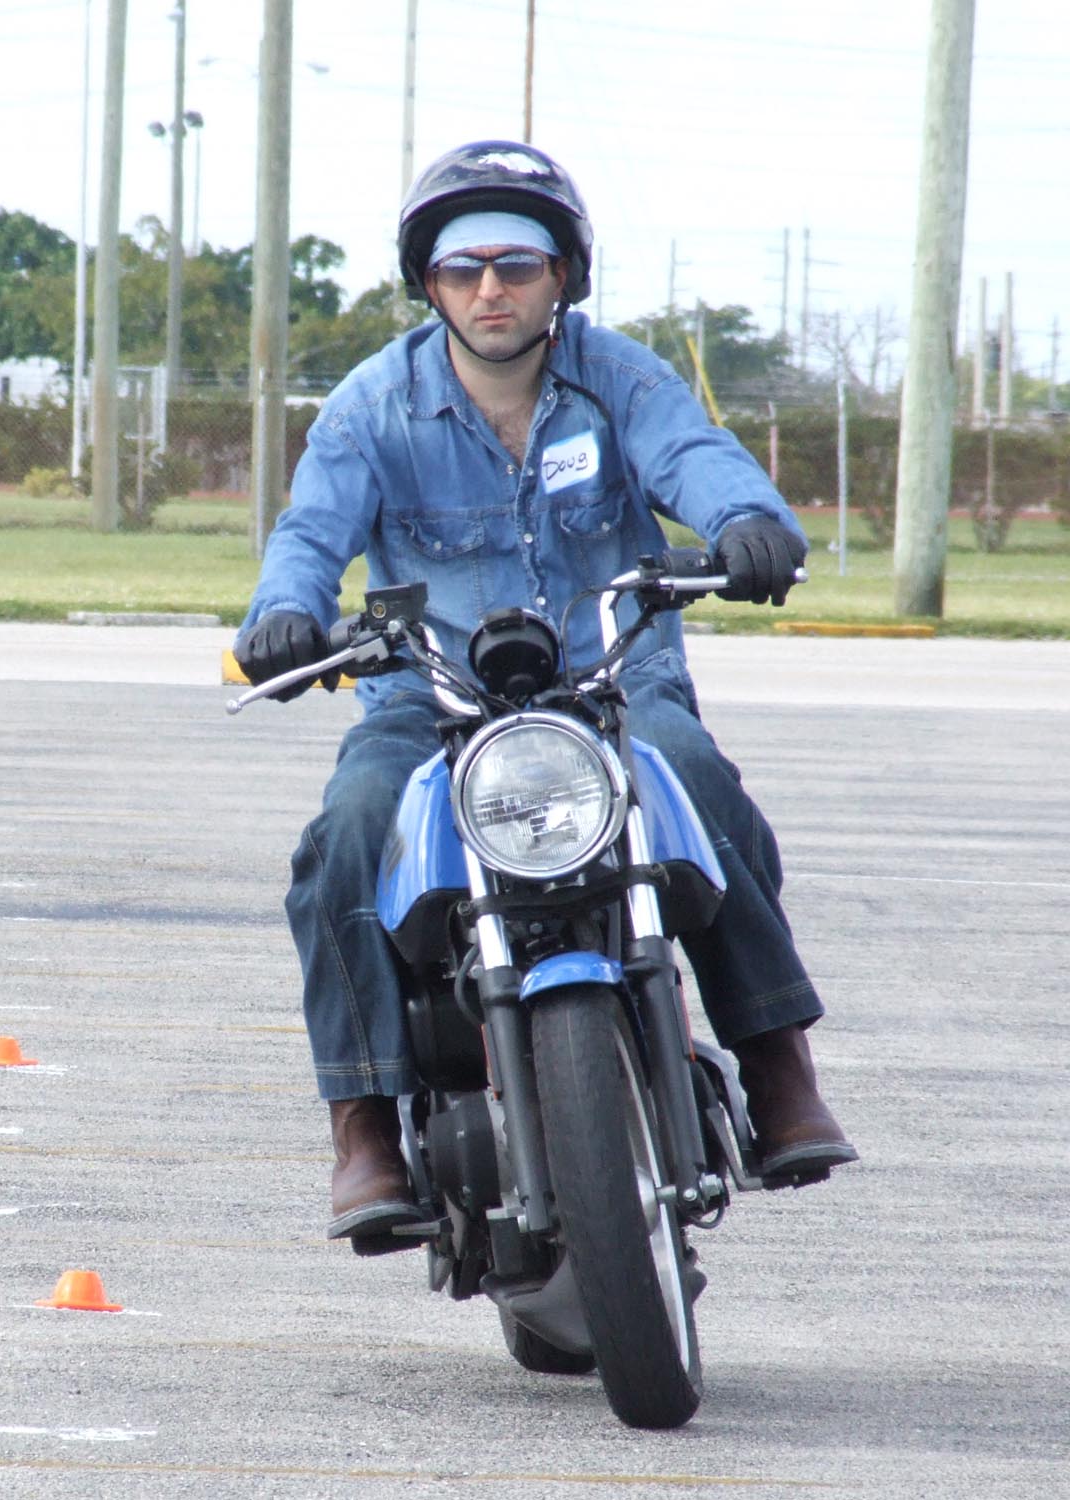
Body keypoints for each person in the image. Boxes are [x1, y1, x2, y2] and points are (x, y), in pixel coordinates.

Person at [235, 140, 857, 1246]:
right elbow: (309, 533)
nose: (491, 289)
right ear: (429, 283)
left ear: (562, 275)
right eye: (463, 267)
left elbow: (697, 456)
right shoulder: (372, 406)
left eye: (517, 265)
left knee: (697, 776)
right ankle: (364, 1122)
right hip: (430, 699)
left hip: (614, 679)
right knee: (349, 828)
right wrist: (285, 614)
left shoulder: (621, 379)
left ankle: (776, 1065)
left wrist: (750, 524)